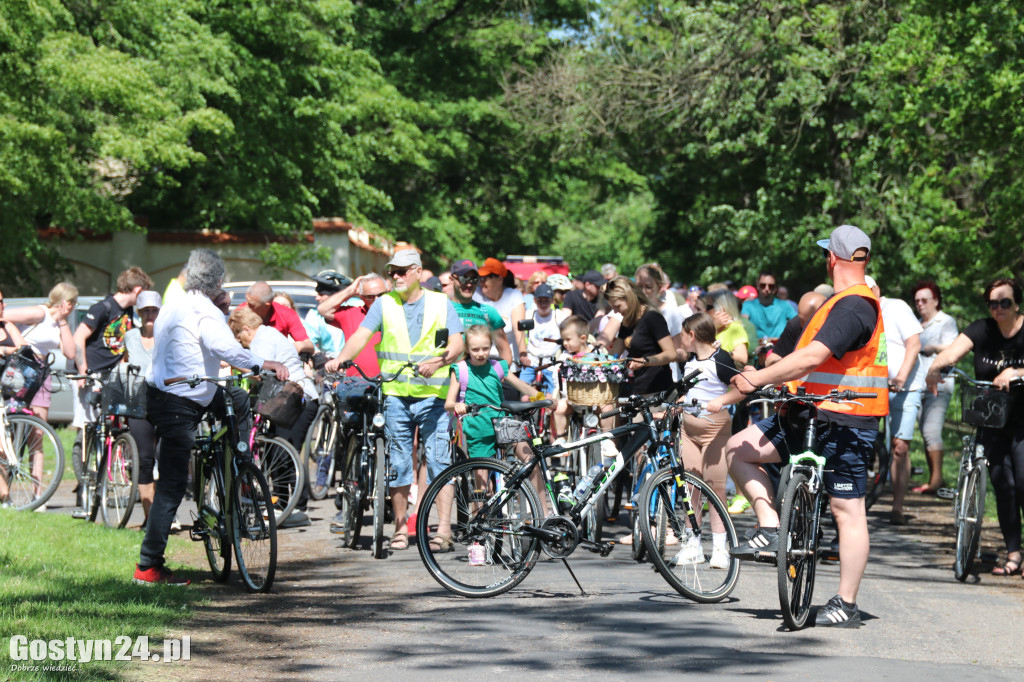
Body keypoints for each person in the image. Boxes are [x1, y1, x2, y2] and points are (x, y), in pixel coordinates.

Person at [726, 224, 887, 628]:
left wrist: (758, 380)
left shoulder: (855, 305)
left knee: (847, 509)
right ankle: (770, 526)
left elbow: (814, 356)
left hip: (846, 421)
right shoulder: (840, 302)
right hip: (806, 412)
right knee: (739, 449)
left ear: (832, 258)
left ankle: (845, 603)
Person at [135, 249, 288, 585]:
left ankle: (237, 463)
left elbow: (190, 346)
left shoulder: (174, 304)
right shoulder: (204, 311)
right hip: (180, 400)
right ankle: (148, 567)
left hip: (177, 391)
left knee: (235, 397)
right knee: (173, 484)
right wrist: (263, 364)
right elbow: (224, 347)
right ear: (218, 282)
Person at [323, 250, 464, 552]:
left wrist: (440, 362)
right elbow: (361, 335)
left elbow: (457, 341)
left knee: (440, 462)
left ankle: (442, 530)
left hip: (434, 398)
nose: (396, 277)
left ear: (417, 271)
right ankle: (400, 528)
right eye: (392, 272)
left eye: (401, 271)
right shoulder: (385, 304)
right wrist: (342, 359)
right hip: (396, 396)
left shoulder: (441, 302)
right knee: (399, 465)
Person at [926, 277, 1024, 578]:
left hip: (1022, 420)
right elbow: (952, 353)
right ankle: (1014, 554)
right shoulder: (982, 329)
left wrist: (1017, 371)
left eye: (1004, 302)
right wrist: (934, 368)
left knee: (1023, 482)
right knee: (1002, 485)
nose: (998, 308)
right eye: (992, 303)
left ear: (1017, 303)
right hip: (991, 419)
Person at [230, 305, 319, 527]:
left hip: (298, 399)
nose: (241, 342)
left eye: (239, 337)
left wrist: (234, 363)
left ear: (247, 329)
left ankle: (296, 508)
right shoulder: (268, 334)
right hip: (288, 400)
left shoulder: (263, 339)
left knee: (283, 451)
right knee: (278, 450)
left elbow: (259, 370)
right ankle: (283, 504)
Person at [671, 312, 745, 568]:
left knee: (715, 488)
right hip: (688, 431)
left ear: (691, 335)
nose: (680, 338)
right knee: (689, 486)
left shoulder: (720, 359)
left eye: (682, 333)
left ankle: (720, 547)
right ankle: (693, 544)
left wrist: (721, 401)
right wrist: (678, 403)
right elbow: (691, 391)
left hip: (715, 430)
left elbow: (742, 388)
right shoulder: (690, 361)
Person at [866, 275, 922, 526]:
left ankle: (897, 507)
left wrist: (900, 377)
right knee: (865, 442)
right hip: (872, 387)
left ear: (877, 288)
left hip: (906, 386)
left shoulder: (896, 307)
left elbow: (914, 344)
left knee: (900, 447)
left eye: (868, 291)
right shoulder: (861, 311)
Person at [911, 281, 958, 494]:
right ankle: (933, 480)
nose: (920, 304)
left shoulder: (945, 321)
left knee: (931, 431)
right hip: (919, 384)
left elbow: (955, 347)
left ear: (936, 301)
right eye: (917, 301)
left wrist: (932, 348)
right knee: (924, 430)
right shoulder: (917, 324)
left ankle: (937, 481)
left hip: (940, 385)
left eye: (924, 300)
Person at [122, 291, 161, 524]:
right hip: (137, 404)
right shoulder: (130, 337)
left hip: (165, 402)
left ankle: (165, 510)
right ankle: (150, 516)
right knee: (144, 460)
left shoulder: (167, 338)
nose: (149, 315)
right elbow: (126, 362)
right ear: (138, 313)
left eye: (154, 310)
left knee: (164, 458)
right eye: (145, 310)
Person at [318, 274, 389, 378]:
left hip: (389, 382)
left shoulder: (397, 313)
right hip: (356, 385)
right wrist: (350, 290)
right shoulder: (352, 313)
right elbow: (323, 309)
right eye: (370, 297)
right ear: (361, 297)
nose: (377, 300)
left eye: (381, 295)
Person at [448, 260, 512, 365]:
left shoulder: (488, 312)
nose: (469, 284)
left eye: (474, 279)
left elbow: (504, 350)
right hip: (446, 378)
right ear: (451, 280)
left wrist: (499, 375)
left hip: (478, 379)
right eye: (464, 278)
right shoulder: (440, 308)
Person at [473, 258, 526, 371]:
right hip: (479, 361)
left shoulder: (513, 295)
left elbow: (519, 328)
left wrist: (523, 354)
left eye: (485, 278)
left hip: (508, 362)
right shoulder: (474, 295)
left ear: (499, 279)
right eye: (480, 278)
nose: (481, 282)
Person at [550, 316, 595, 442]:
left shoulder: (595, 354)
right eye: (563, 339)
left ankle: (607, 440)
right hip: (571, 399)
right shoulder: (565, 357)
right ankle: (560, 438)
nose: (565, 343)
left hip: (594, 399)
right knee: (559, 409)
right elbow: (557, 378)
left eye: (568, 339)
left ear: (583, 339)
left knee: (606, 408)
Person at [243, 281, 314, 356]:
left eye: (251, 305)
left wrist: (297, 346)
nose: (246, 306)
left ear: (266, 305)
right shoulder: (241, 312)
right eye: (247, 301)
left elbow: (309, 345)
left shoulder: (286, 314)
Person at [519, 283, 562, 397]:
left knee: (551, 398)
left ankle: (547, 414)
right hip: (532, 360)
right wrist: (523, 354)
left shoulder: (558, 316)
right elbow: (520, 335)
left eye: (546, 301)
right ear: (534, 300)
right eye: (540, 301)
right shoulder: (529, 315)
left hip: (551, 362)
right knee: (524, 397)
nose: (543, 304)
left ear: (552, 300)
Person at [766, 291, 826, 366]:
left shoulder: (833, 327)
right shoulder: (794, 325)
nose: (804, 326)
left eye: (809, 322)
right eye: (801, 320)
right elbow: (774, 357)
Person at [742, 272, 797, 343]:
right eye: (763, 285)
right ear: (758, 286)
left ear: (775, 288)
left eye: (771, 286)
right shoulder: (748, 305)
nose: (767, 288)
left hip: (778, 350)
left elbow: (798, 323)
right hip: (757, 349)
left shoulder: (784, 305)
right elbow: (742, 324)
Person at [305, 271, 348, 355]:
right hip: (327, 363)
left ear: (334, 296)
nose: (317, 298)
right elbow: (309, 341)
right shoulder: (314, 315)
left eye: (321, 294)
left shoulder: (352, 308)